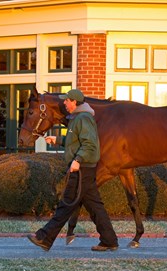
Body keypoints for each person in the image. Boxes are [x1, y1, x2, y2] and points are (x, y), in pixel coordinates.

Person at [27, 89, 118, 252]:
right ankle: (109, 240)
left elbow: (89, 144)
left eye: (67, 101)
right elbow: (76, 140)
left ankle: (45, 238)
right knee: (95, 206)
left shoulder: (84, 118)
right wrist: (58, 140)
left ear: (75, 102)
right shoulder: (78, 118)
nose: (64, 104)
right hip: (85, 169)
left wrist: (77, 160)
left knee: (67, 203)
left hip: (82, 169)